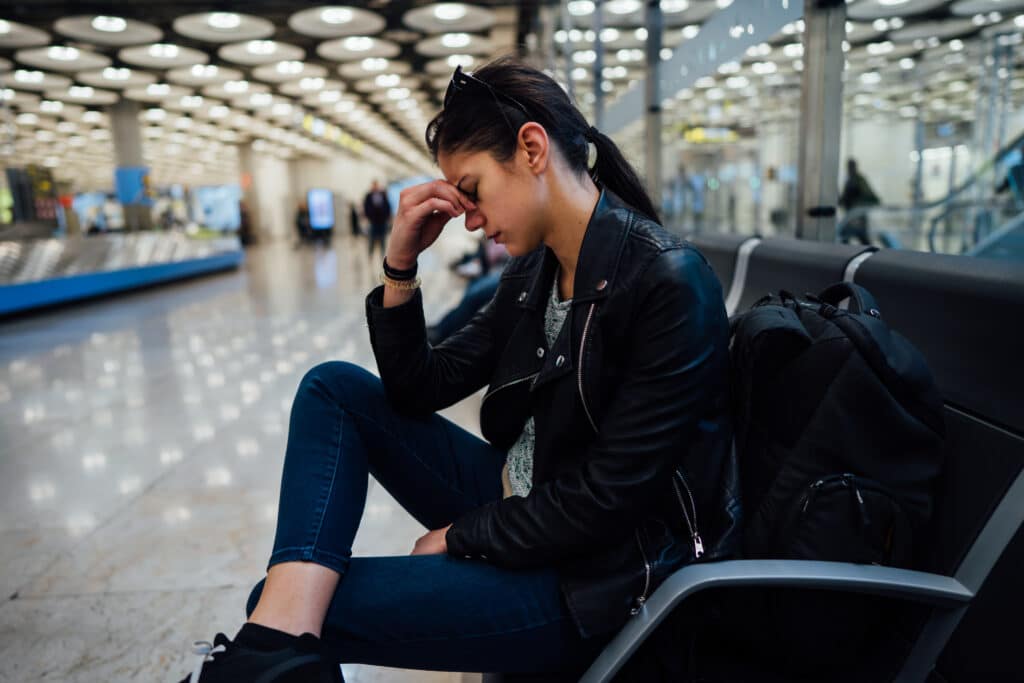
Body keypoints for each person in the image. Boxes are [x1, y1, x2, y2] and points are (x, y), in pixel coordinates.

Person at [179, 56, 737, 683]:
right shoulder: (536, 270)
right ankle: (270, 658)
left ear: (531, 148)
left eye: (471, 189)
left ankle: (266, 659)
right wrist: (400, 263)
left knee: (285, 611)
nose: (469, 218)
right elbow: (423, 386)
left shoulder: (667, 280)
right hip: (528, 500)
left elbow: (609, 499)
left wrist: (467, 534)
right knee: (331, 390)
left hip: (595, 576)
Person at [838, 158, 880, 245]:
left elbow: (872, 197)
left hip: (858, 216)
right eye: (849, 166)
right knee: (845, 236)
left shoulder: (859, 180)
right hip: (851, 215)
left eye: (851, 166)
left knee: (861, 237)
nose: (850, 168)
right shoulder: (850, 180)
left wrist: (857, 205)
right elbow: (845, 198)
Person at [363, 180, 391, 261]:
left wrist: (386, 216)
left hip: (382, 222)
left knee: (383, 240)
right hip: (373, 222)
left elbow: (387, 206)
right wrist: (370, 216)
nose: (375, 187)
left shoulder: (383, 195)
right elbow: (366, 208)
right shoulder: (368, 196)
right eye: (374, 185)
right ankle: (370, 255)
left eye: (376, 185)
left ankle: (383, 256)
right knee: (371, 240)